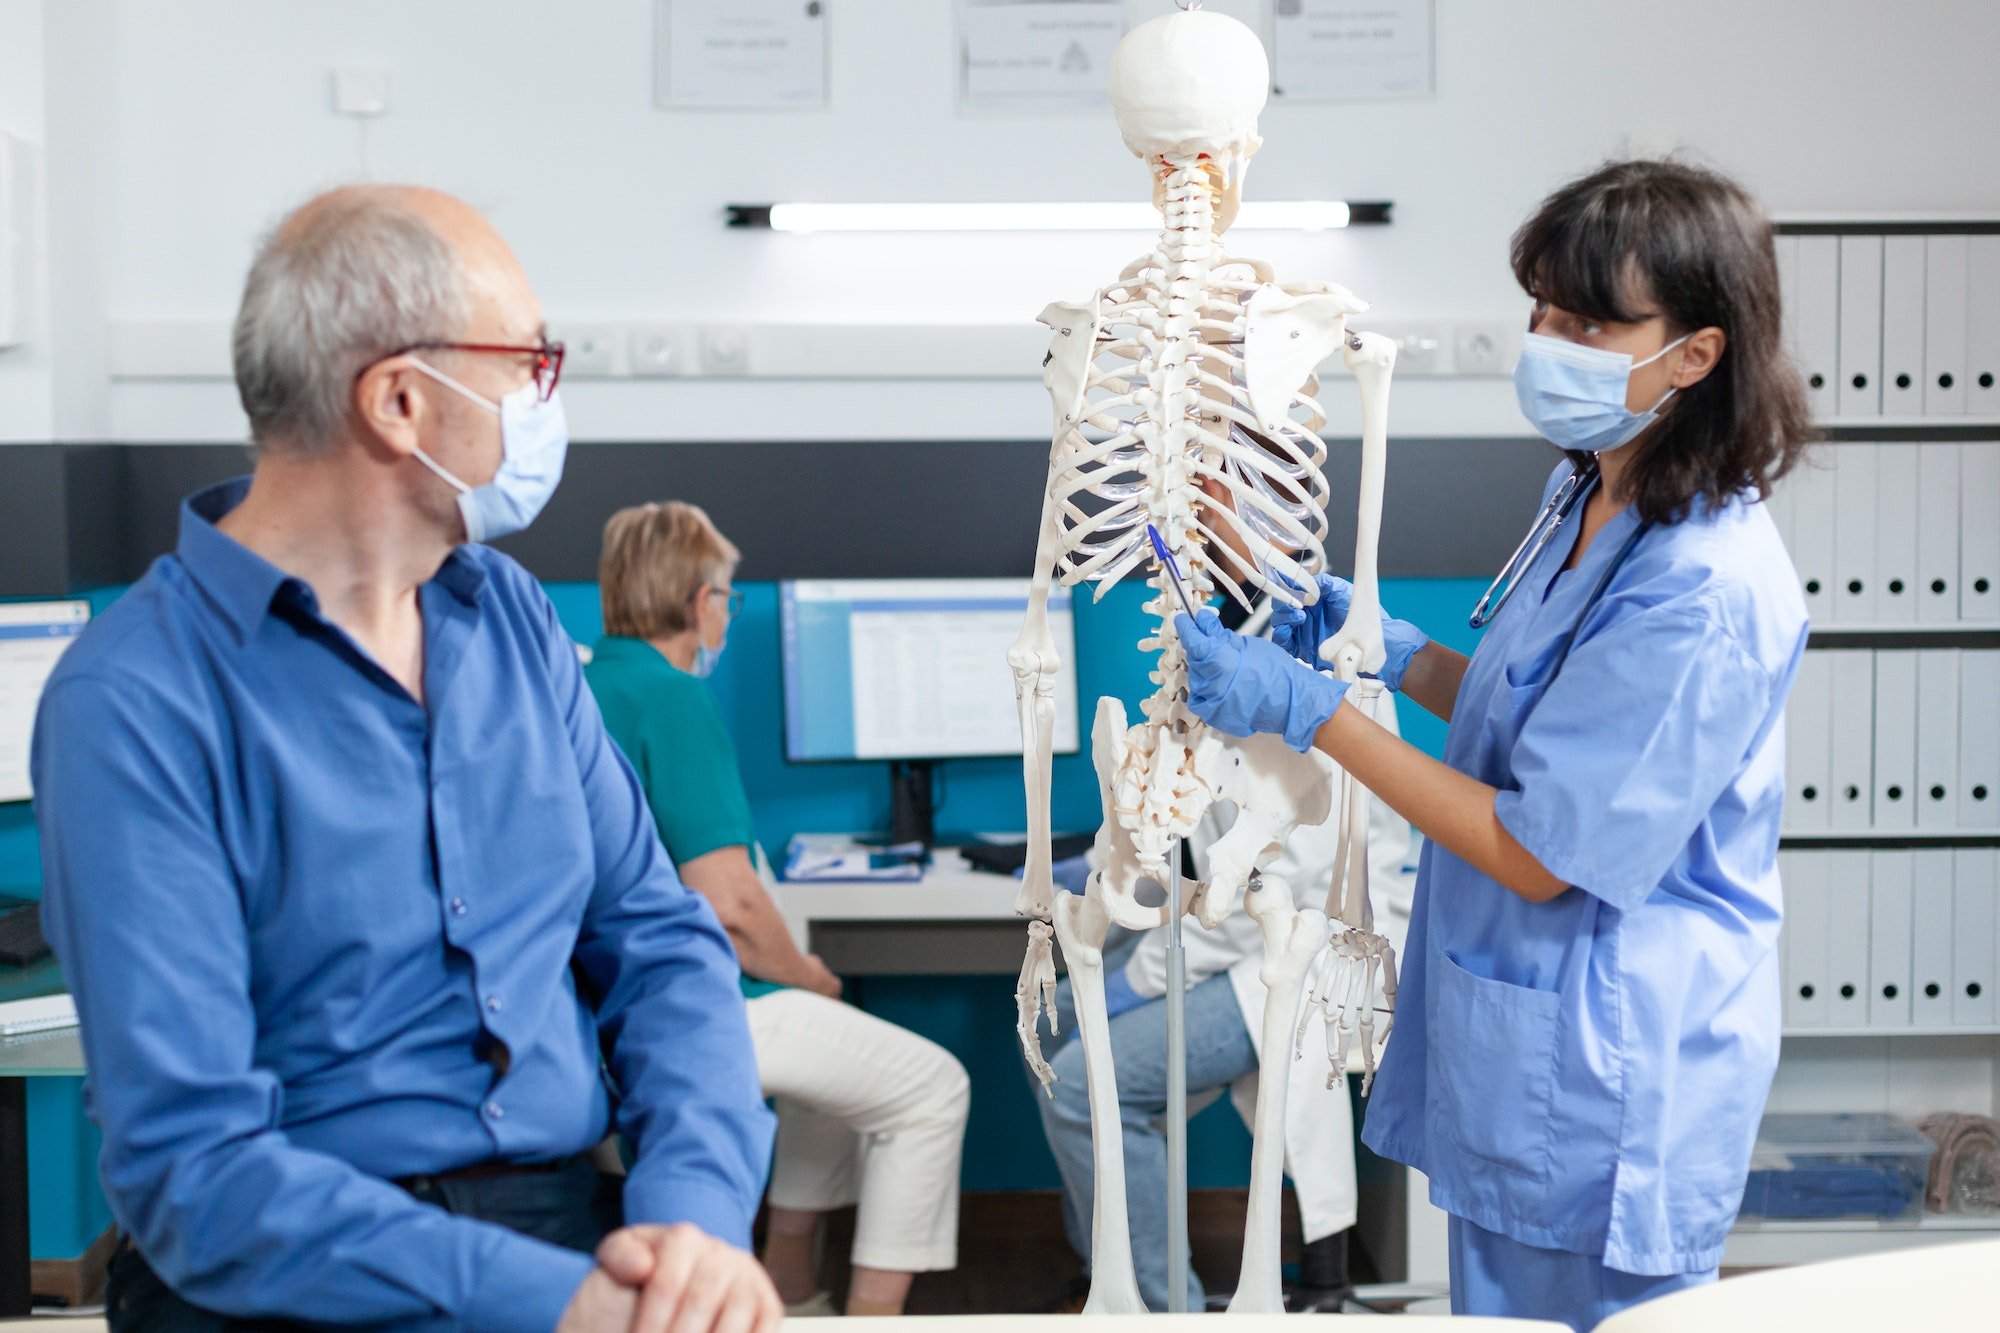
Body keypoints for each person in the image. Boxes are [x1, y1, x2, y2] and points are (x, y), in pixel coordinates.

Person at [33, 185, 780, 1333]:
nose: (546, 397)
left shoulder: (515, 623)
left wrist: (691, 1220)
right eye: (529, 362)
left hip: (579, 1229)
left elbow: (657, 941)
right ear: (397, 400)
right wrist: (558, 1304)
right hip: (286, 1280)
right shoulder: (137, 699)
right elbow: (193, 1170)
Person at [1171, 158, 1814, 1332]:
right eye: (1540, 307)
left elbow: (1537, 847)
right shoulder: (1590, 492)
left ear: (1695, 353)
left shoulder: (1702, 588)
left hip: (1607, 1069)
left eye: (1587, 320)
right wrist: (1393, 649)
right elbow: (1542, 722)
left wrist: (1310, 709)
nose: (1545, 339)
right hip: (1524, 1034)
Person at [585, 501, 970, 1318]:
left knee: (834, 1071)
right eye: (726, 595)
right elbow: (729, 906)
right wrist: (809, 976)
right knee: (935, 1085)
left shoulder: (590, 685)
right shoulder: (671, 699)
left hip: (604, 1006)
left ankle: (791, 1284)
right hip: (696, 1004)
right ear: (698, 602)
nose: (727, 611)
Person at [1029, 670, 1413, 1313]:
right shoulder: (1211, 651)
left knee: (1075, 1084)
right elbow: (1201, 834)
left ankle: (1154, 1308)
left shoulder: (1312, 665)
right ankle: (1103, 1265)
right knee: (1048, 1024)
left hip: (1303, 947)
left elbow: (1267, 887)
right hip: (1227, 929)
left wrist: (1138, 981)